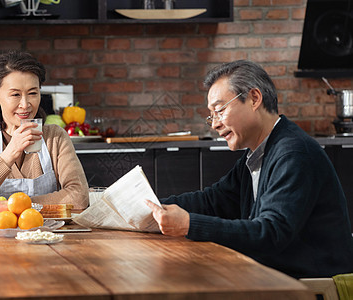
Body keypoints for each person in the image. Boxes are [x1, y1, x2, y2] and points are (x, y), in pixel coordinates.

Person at [145, 60, 353, 278]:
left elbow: (270, 233)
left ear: (254, 98)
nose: (215, 123)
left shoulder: (294, 154)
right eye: (212, 115)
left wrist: (189, 224)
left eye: (220, 110)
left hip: (311, 287)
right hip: (273, 279)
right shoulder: (257, 153)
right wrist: (148, 208)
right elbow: (212, 202)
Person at [0, 50, 89, 209]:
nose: (25, 104)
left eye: (32, 93)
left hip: (46, 233)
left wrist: (13, 206)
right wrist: (9, 154)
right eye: (15, 94)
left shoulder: (55, 137)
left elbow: (79, 197)